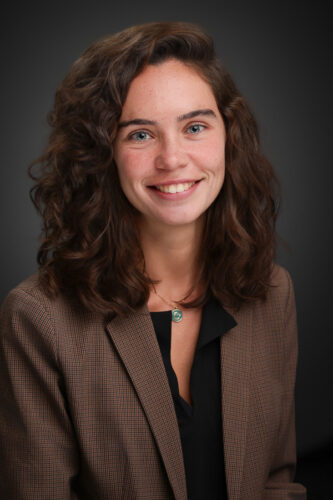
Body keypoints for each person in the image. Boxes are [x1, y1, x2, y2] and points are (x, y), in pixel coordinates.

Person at [0, 21, 306, 500]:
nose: (173, 158)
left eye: (195, 127)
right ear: (102, 153)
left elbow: (277, 483)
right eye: (141, 134)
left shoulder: (273, 292)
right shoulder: (39, 319)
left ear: (230, 136)